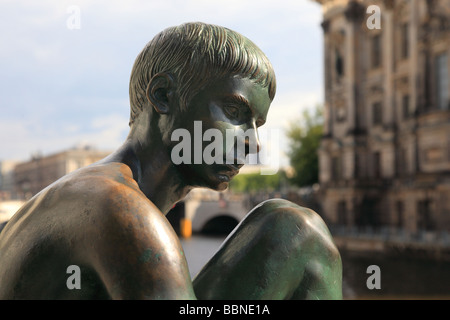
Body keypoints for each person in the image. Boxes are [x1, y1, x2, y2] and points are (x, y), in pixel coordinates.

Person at [0, 22, 342, 299]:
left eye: (257, 125)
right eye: (235, 112)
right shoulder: (122, 212)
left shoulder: (83, 194)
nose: (252, 144)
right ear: (163, 96)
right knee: (297, 231)